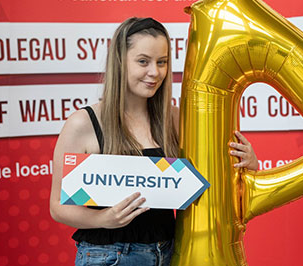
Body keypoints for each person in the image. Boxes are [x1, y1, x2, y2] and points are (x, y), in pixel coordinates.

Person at [49, 17, 258, 266]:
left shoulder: (176, 119)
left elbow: (214, 183)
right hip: (109, 256)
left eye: (162, 62)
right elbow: (58, 207)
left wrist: (247, 164)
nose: (155, 72)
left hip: (170, 253)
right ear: (119, 62)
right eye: (143, 61)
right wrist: (104, 219)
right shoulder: (83, 123)